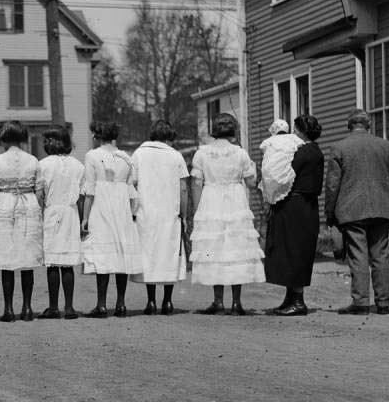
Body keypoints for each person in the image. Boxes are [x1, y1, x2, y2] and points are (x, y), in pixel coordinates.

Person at [325, 108, 389, 315]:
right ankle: (383, 302)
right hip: (383, 208)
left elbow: (332, 185)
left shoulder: (339, 147)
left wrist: (330, 214)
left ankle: (360, 302)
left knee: (358, 255)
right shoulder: (386, 146)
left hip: (352, 209)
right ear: (368, 125)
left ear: (349, 126)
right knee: (380, 255)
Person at [190, 113, 265, 314]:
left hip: (211, 200)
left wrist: (197, 210)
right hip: (235, 201)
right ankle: (236, 302)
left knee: (215, 249)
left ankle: (218, 301)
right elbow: (251, 182)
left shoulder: (202, 153)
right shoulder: (240, 153)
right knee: (235, 249)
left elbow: (196, 183)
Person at [264, 115, 324, 316]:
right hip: (305, 205)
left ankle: (298, 301)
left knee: (295, 250)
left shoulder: (302, 151)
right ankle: (291, 298)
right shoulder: (315, 150)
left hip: (296, 205)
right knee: (294, 249)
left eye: (296, 130)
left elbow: (285, 172)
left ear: (301, 131)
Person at [81, 120, 142, 317]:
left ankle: (101, 305)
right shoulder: (126, 157)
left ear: (98, 135)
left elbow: (90, 190)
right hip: (121, 208)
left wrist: (85, 217)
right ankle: (121, 304)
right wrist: (131, 213)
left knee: (103, 255)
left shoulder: (92, 156)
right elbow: (132, 190)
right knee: (121, 254)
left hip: (101, 206)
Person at [130, 119, 189, 315]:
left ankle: (151, 301)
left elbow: (132, 184)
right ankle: (168, 301)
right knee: (169, 254)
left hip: (146, 212)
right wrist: (184, 214)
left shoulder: (138, 154)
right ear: (169, 137)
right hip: (169, 213)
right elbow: (183, 188)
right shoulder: (176, 156)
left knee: (149, 255)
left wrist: (132, 210)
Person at [0, 120, 43, 322]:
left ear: (4, 138)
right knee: (27, 258)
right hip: (28, 203)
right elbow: (39, 190)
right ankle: (27, 308)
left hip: (5, 204)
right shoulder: (33, 160)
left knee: (7, 258)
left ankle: (8, 309)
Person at [37, 125, 84, 319]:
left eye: (48, 140)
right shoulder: (78, 165)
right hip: (71, 213)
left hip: (52, 211)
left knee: (53, 261)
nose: (46, 143)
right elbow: (82, 195)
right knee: (67, 262)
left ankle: (54, 307)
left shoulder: (43, 165)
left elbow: (39, 194)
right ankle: (69, 307)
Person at [259, 119, 305, 205]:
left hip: (270, 175)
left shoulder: (269, 140)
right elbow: (302, 143)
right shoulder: (293, 138)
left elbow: (262, 147)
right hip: (284, 174)